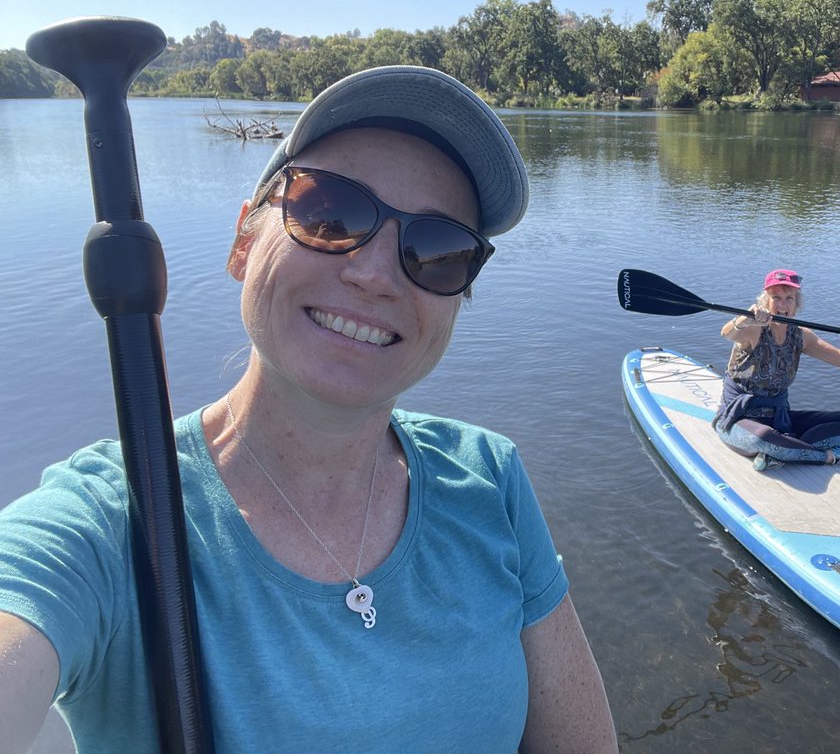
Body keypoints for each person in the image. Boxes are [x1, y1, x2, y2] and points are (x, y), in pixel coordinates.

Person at [0, 66, 618, 753]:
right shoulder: (112, 523)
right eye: (331, 214)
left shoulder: (491, 480)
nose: (375, 275)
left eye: (436, 250)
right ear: (244, 242)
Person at [713, 268, 840, 471]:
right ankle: (830, 456)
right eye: (776, 298)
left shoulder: (801, 336)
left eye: (789, 298)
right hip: (739, 419)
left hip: (780, 420)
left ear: (796, 303)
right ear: (765, 301)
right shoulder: (754, 329)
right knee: (764, 437)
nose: (782, 305)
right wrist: (744, 319)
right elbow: (727, 333)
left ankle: (783, 452)